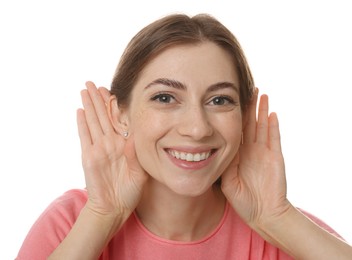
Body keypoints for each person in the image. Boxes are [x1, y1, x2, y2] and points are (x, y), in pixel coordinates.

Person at [17, 13, 352, 260]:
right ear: (120, 115)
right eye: (165, 98)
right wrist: (103, 216)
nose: (197, 128)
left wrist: (278, 219)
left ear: (244, 117)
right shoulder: (70, 223)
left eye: (219, 100)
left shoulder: (283, 230)